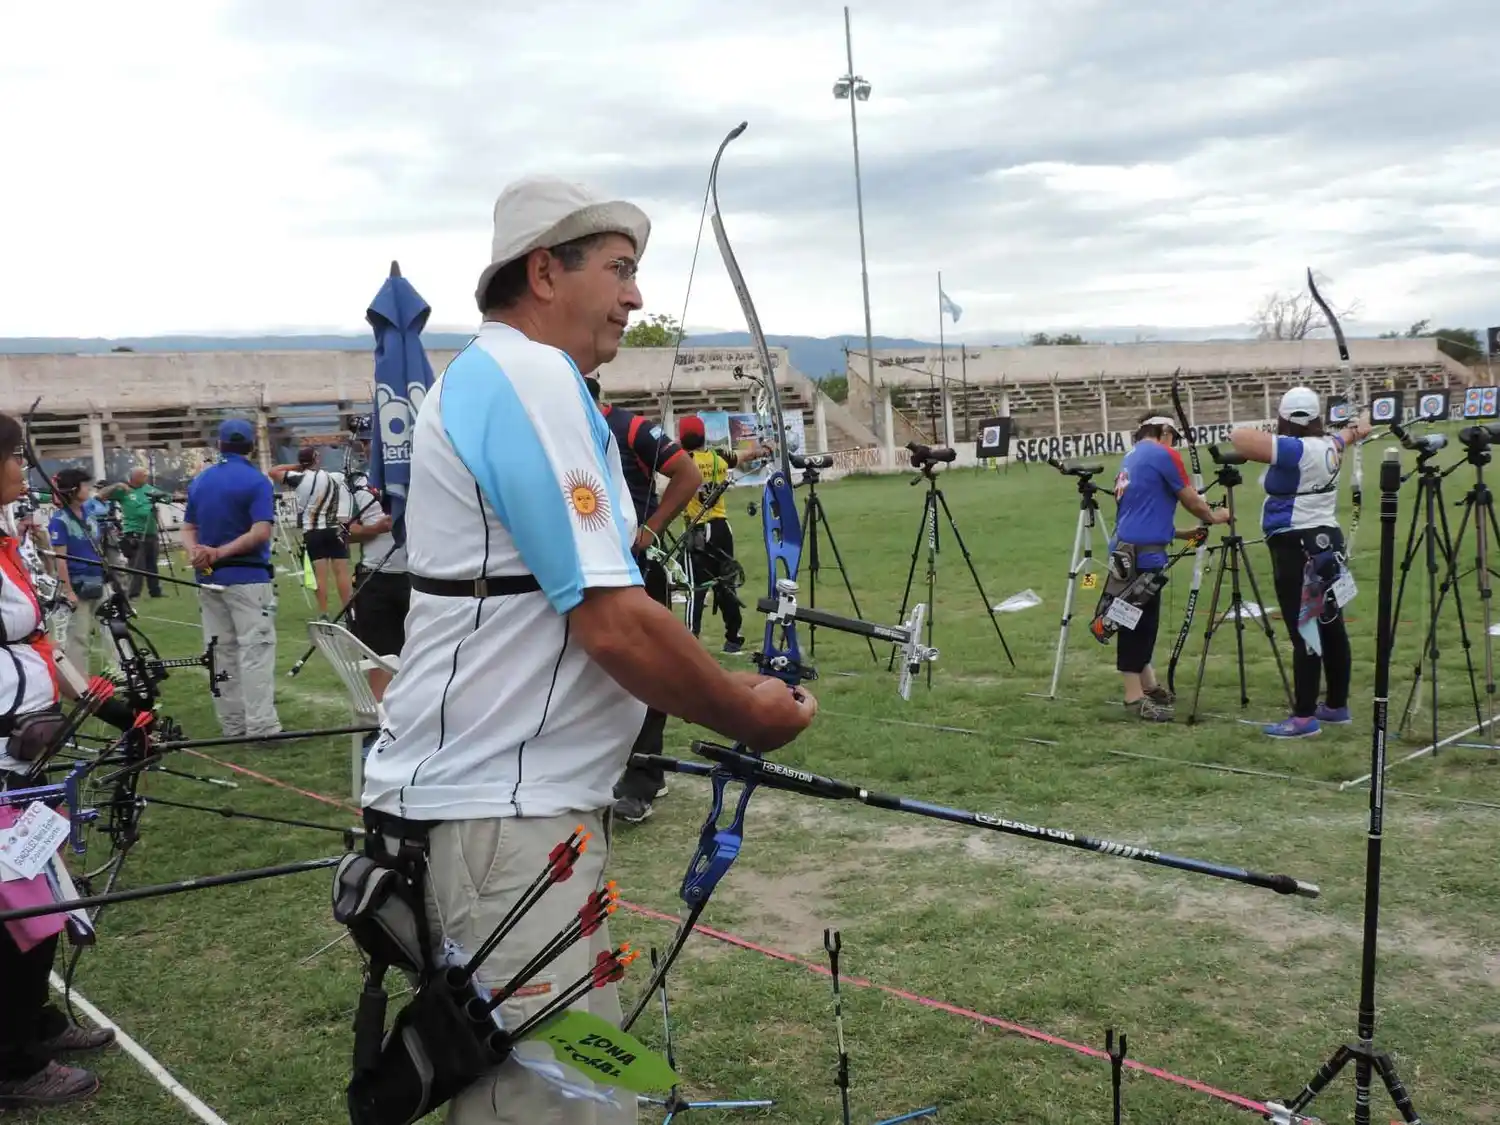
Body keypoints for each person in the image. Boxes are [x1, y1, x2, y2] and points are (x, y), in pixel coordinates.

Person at [362, 176, 817, 1125]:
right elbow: (609, 620)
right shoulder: (525, 376)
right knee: (552, 1103)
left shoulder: (505, 377)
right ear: (542, 272)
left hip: (510, 809)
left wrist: (718, 679)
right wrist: (747, 713)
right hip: (502, 814)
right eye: (618, 271)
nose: (635, 297)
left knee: (545, 1088)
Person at [0, 415, 115, 1109]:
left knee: (44, 887)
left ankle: (32, 1022)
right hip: (6, 750)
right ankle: (10, 1059)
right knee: (16, 901)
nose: (24, 466)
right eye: (16, 455)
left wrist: (115, 707)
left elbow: (41, 642)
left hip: (31, 744)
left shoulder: (9, 541)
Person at [584, 374, 703, 824]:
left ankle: (643, 776)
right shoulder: (552, 432)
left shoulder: (628, 427)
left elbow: (686, 474)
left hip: (632, 569)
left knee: (646, 669)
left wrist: (649, 530)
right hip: (581, 572)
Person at [1230, 388, 1371, 738]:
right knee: (1331, 624)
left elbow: (1239, 437)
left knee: (1304, 628)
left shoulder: (1296, 449)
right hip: (1326, 543)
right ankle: (1336, 706)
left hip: (1297, 547)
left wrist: (1278, 436)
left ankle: (1305, 716)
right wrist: (1354, 430)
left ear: (1284, 418)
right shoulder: (1328, 445)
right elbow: (1344, 437)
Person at [1106, 414, 1228, 720]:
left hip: (1124, 549)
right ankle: (1134, 698)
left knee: (1135, 619)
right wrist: (1215, 516)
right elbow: (1191, 499)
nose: (1175, 442)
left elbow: (1141, 511)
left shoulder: (1131, 457)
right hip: (1143, 555)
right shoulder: (1163, 454)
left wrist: (1183, 533)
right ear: (1162, 431)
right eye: (1173, 435)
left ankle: (1148, 685)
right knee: (1137, 623)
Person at [180, 420, 281, 739]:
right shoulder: (257, 481)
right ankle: (262, 725)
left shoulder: (201, 481)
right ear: (251, 446)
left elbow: (187, 527)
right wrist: (219, 552)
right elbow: (260, 531)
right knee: (255, 650)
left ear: (220, 445)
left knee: (220, 650)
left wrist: (197, 551)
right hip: (248, 577)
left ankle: (233, 725)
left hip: (209, 577)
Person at [676, 416, 760, 654]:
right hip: (723, 529)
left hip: (699, 532)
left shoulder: (683, 462)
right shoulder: (718, 458)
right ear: (704, 437)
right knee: (726, 585)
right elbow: (742, 456)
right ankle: (733, 638)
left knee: (696, 588)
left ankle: (690, 643)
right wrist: (761, 449)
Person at [345, 467, 408, 702]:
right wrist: (376, 529)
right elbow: (344, 532)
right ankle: (380, 723)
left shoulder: (417, 473)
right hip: (376, 576)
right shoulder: (357, 483)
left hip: (419, 576)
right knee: (379, 655)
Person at [270, 447, 353, 618]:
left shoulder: (298, 478)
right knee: (341, 572)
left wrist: (297, 466)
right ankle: (348, 611)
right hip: (333, 528)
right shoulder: (331, 477)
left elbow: (273, 471)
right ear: (316, 459)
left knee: (320, 574)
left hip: (312, 531)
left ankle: (323, 612)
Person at [46, 469, 106, 672]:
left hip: (99, 579)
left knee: (113, 628)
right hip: (77, 583)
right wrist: (68, 590)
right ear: (73, 490)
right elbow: (60, 560)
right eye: (84, 485)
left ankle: (124, 674)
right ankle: (81, 685)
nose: (89, 489)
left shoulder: (90, 513)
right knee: (79, 637)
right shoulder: (60, 520)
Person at [97, 468, 174, 598]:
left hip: (151, 531)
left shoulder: (148, 488)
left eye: (146, 475)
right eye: (143, 476)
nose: (146, 477)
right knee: (137, 565)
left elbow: (168, 498)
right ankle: (133, 593)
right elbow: (100, 495)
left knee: (152, 564)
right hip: (134, 533)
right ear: (134, 477)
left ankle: (155, 591)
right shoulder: (123, 490)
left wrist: (161, 497)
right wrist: (116, 485)